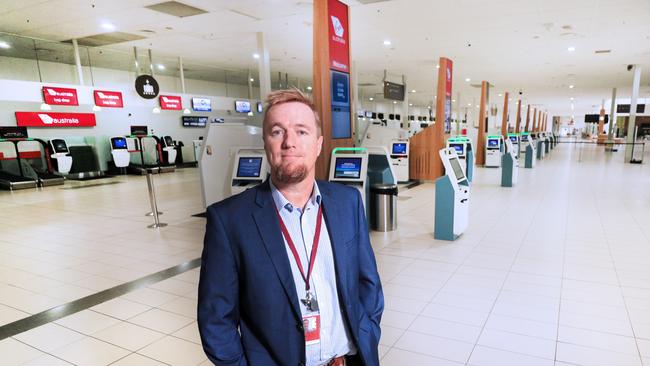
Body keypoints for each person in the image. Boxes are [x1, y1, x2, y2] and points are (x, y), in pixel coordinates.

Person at [198, 89, 384, 366]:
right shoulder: (229, 220)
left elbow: (368, 284)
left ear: (319, 144)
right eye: (277, 131)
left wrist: (367, 330)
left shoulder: (347, 203)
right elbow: (215, 319)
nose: (289, 142)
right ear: (265, 143)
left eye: (302, 131)